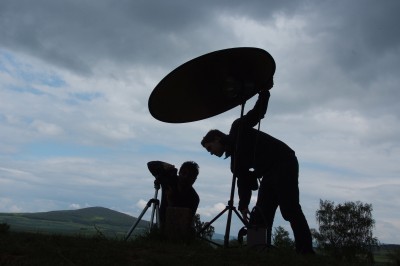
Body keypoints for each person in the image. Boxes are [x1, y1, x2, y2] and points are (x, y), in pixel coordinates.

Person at [200, 79, 314, 254]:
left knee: (290, 209)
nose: (210, 152)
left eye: (210, 148)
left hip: (284, 161)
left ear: (217, 138)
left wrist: (264, 93)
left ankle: (305, 252)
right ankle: (257, 251)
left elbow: (257, 113)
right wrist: (243, 204)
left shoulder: (238, 129)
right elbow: (243, 181)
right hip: (268, 172)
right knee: (260, 214)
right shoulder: (235, 163)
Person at [147, 160, 200, 230]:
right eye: (184, 173)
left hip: (178, 230)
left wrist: (171, 201)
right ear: (179, 172)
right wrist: (164, 164)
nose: (185, 178)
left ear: (194, 179)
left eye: (190, 176)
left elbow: (185, 221)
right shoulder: (170, 179)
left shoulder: (194, 198)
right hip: (161, 224)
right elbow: (150, 165)